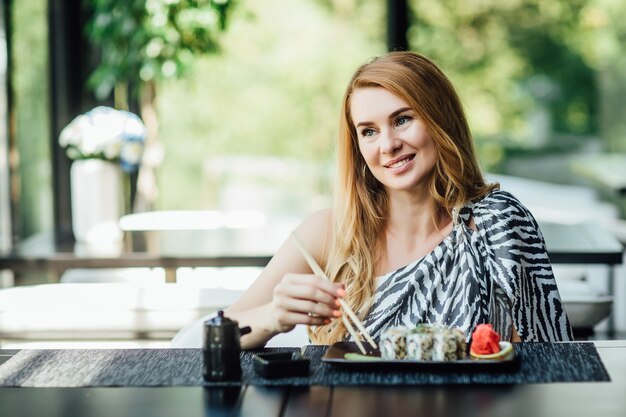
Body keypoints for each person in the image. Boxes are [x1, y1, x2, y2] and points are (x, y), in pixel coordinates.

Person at [225, 51, 573, 349]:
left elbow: (552, 360)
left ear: (440, 120)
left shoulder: (498, 222)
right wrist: (271, 318)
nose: (387, 145)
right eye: (369, 131)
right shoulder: (328, 231)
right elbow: (219, 333)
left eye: (403, 120)